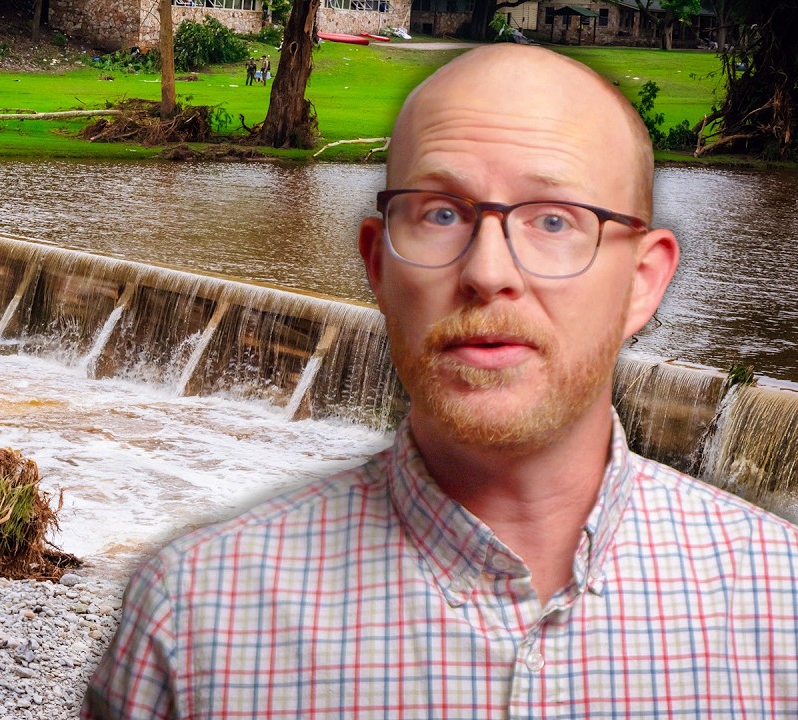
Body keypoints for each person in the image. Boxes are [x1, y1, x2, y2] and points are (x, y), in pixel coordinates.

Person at [83, 44, 798, 718]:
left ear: (643, 283)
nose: (488, 273)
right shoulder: (190, 617)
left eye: (554, 220)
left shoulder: (783, 601)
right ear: (378, 266)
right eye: (442, 214)